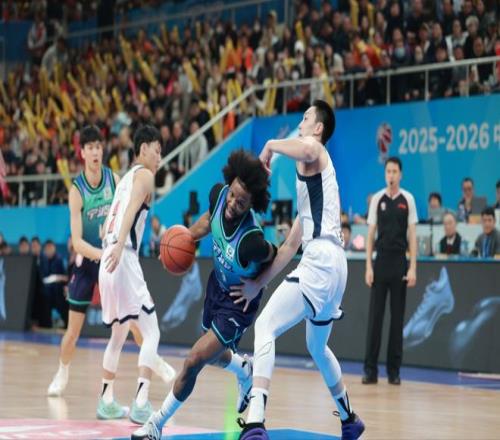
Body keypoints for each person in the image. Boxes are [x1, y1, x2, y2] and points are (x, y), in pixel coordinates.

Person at [232, 100, 364, 440]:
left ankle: (256, 421)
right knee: (317, 348)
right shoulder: (313, 186)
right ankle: (349, 418)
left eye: (306, 118)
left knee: (265, 325)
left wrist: (269, 145)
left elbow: (306, 148)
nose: (301, 122)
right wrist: (258, 284)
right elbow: (290, 247)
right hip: (334, 267)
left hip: (321, 260)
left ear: (318, 128)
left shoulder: (315, 150)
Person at [132, 149, 277, 440]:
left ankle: (156, 424)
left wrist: (257, 285)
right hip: (216, 286)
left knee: (194, 360)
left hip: (238, 301)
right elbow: (209, 220)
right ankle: (243, 369)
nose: (233, 203)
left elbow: (275, 257)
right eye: (233, 195)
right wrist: (181, 240)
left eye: (241, 202)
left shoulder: (252, 241)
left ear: (251, 204)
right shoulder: (218, 195)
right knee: (213, 356)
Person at [48, 126, 174, 398]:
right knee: (73, 332)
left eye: (98, 147)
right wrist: (104, 252)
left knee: (131, 325)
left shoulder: (115, 179)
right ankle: (62, 371)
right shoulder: (77, 191)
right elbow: (76, 242)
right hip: (91, 261)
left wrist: (112, 241)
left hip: (113, 256)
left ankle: (154, 362)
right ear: (82, 153)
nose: (95, 152)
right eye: (90, 148)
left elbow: (126, 211)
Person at [97, 125, 174, 424]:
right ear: (143, 148)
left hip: (107, 257)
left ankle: (106, 401)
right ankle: (141, 403)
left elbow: (107, 223)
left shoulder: (124, 180)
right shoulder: (145, 176)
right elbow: (130, 211)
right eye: (157, 151)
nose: (159, 158)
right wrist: (119, 245)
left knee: (118, 334)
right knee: (152, 331)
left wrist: (112, 244)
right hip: (123, 256)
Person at [363, 157, 418, 385]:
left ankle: (394, 372)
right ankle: (370, 371)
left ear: (400, 174)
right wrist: (368, 266)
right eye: (388, 171)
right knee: (375, 318)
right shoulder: (377, 199)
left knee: (397, 319)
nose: (391, 175)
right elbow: (370, 236)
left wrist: (412, 267)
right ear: (385, 174)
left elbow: (412, 236)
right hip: (381, 261)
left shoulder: (408, 199)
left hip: (399, 262)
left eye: (395, 171)